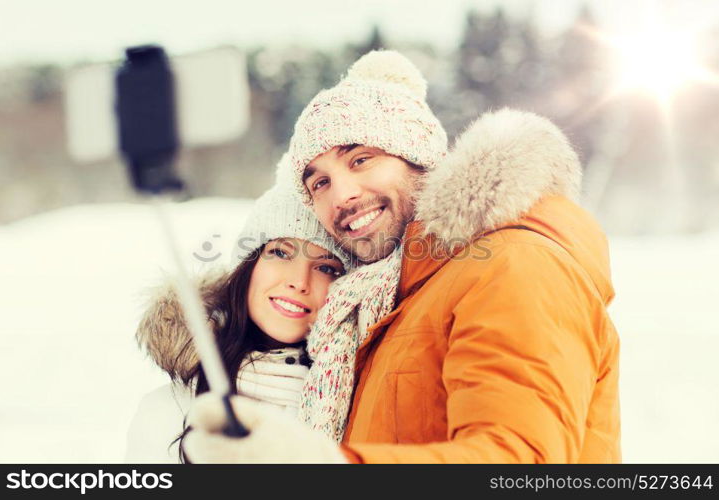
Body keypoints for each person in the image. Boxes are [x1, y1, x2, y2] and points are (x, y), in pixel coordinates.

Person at [182, 50, 622, 463]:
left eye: (361, 159)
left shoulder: (514, 263)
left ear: (421, 158)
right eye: (320, 183)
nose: (343, 196)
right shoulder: (390, 298)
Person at [124, 169, 349, 463]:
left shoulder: (360, 407)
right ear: (247, 268)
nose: (299, 281)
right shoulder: (168, 410)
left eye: (327, 268)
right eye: (281, 253)